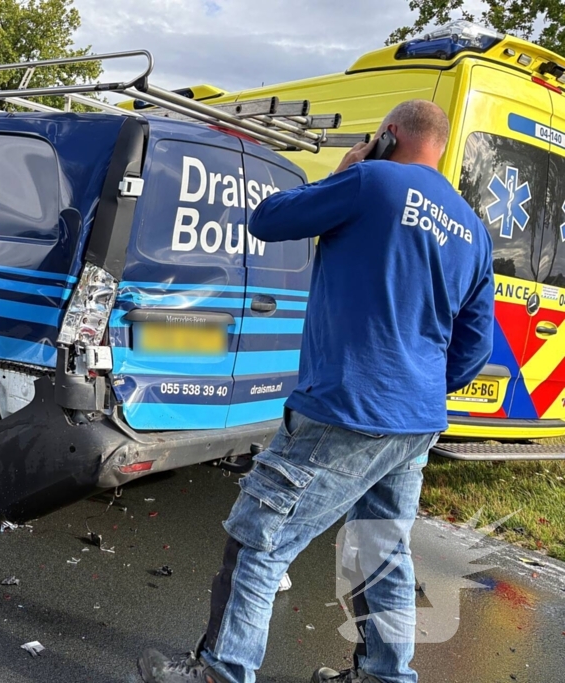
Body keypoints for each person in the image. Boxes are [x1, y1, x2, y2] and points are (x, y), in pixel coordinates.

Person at [136, 100, 494, 683]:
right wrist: (419, 383)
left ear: (389, 136)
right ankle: (383, 674)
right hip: (416, 421)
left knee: (260, 540)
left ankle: (219, 672)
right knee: (382, 549)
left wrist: (343, 170)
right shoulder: (472, 230)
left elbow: (269, 219)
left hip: (346, 406)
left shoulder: (370, 180)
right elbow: (476, 348)